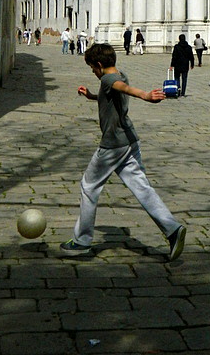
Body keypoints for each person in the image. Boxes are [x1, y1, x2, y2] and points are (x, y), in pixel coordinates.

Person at [60, 43, 186, 261]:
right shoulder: (120, 73)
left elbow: (123, 89)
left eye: (92, 67)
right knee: (142, 188)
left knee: (89, 186)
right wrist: (91, 96)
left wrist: (145, 95)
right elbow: (113, 93)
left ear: (99, 65)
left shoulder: (109, 79)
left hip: (113, 145)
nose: (92, 71)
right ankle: (172, 229)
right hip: (129, 141)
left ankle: (81, 241)